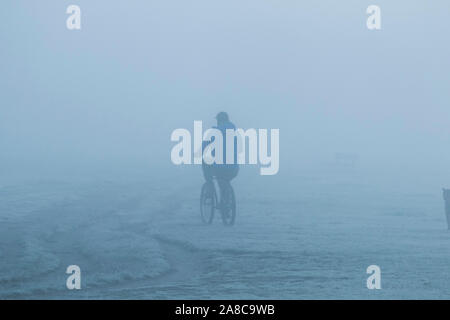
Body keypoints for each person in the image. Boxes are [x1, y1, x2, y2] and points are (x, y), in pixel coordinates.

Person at [202, 112, 240, 205]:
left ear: (218, 121)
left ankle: (209, 189)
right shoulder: (235, 133)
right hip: (233, 169)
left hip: (218, 168)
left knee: (205, 162)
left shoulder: (214, 132)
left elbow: (204, 147)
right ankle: (226, 203)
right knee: (225, 180)